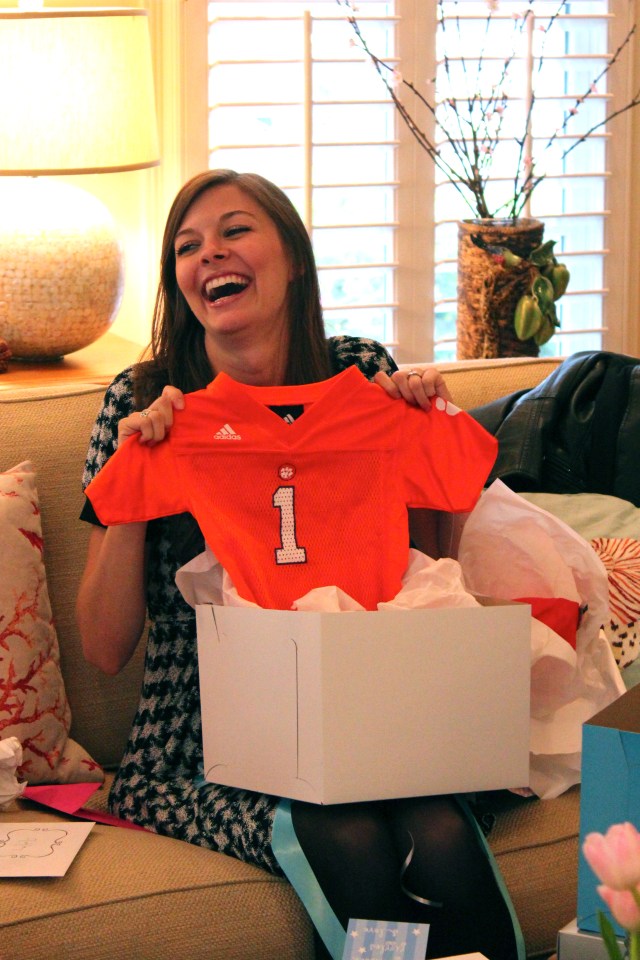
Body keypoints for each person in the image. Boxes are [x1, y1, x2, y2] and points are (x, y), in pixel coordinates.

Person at [76, 168, 519, 960]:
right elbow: (105, 651)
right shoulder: (145, 399)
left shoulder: (359, 370)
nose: (209, 253)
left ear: (293, 259)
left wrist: (422, 418)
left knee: (439, 828)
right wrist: (138, 473)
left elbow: (426, 569)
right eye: (187, 245)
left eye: (235, 230)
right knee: (344, 831)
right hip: (207, 739)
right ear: (179, 282)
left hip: (376, 710)